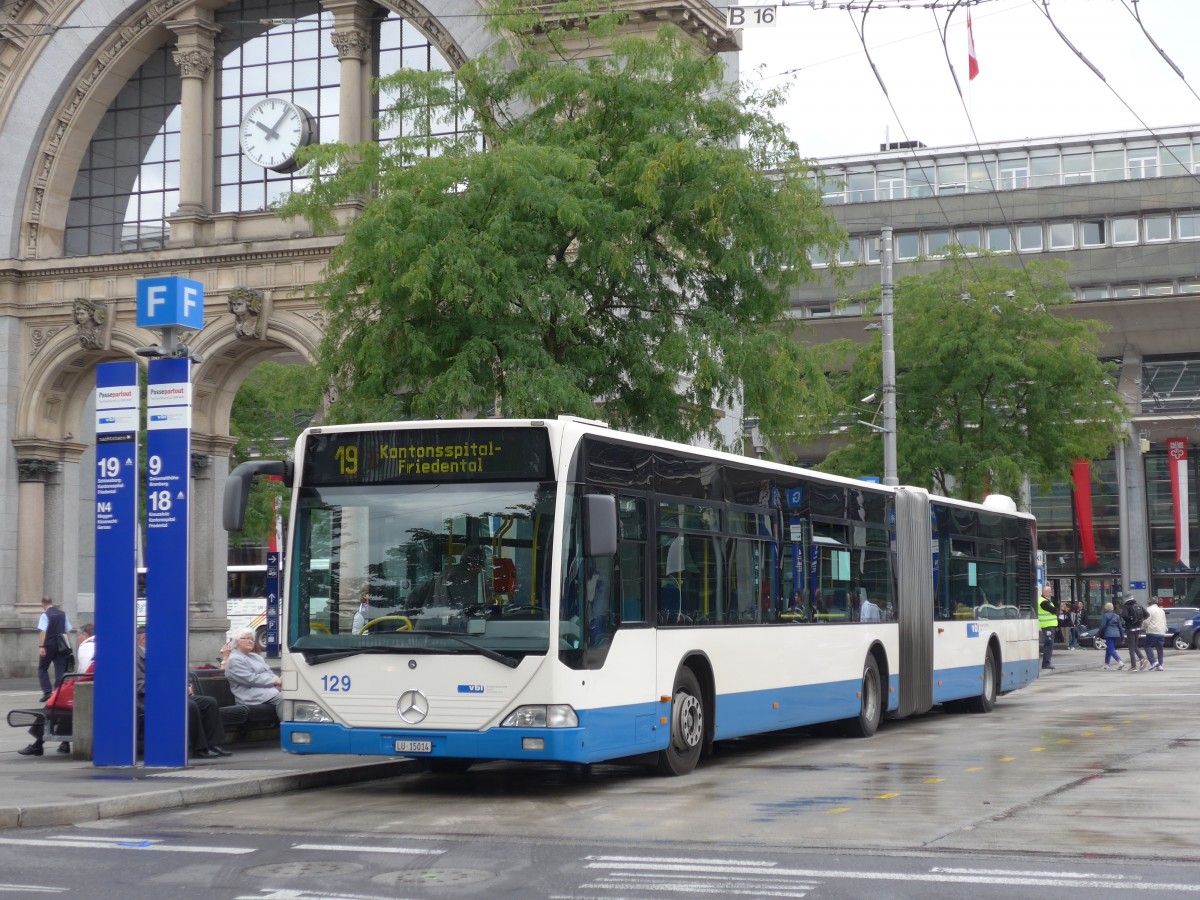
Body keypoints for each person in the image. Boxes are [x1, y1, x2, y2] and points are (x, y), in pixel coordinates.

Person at [136, 627, 230, 759]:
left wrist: (187, 685)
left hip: (171, 696)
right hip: (151, 701)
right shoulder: (134, 658)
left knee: (209, 702)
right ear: (144, 639)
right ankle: (199, 748)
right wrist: (172, 688)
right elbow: (140, 685)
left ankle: (213, 744)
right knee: (190, 706)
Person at [224, 628, 283, 721]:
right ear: (237, 641)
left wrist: (277, 682)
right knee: (286, 699)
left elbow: (268, 672)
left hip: (267, 691)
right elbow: (251, 679)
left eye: (252, 639)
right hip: (251, 696)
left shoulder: (255, 657)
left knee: (296, 695)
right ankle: (290, 729)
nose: (251, 641)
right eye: (247, 638)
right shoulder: (234, 660)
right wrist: (274, 681)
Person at [36, 595, 73, 701]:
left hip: (49, 645)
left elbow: (43, 631)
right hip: (61, 645)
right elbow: (68, 631)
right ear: (52, 602)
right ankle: (58, 693)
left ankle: (47, 692)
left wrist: (41, 646)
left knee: (42, 668)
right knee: (59, 670)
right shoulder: (63, 614)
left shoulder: (45, 615)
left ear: (43, 604)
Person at [1122, 594, 1150, 671]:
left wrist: (1129, 621)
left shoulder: (1126, 606)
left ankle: (1133, 666)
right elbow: (1147, 614)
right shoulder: (1138, 605)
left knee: (1131, 648)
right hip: (1138, 628)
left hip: (1130, 629)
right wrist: (1140, 621)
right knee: (1135, 646)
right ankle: (1142, 659)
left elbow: (1124, 615)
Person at [1098, 602, 1126, 670]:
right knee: (1109, 649)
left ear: (1106, 608)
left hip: (1109, 634)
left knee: (1111, 649)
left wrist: (1098, 634)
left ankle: (1119, 661)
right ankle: (1106, 664)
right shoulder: (1117, 616)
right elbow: (1120, 627)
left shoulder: (1105, 615)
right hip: (1116, 634)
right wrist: (1122, 636)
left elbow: (1103, 626)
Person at [1142, 598, 1168, 671]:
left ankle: (1153, 662)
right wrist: (1165, 629)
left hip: (1152, 631)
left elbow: (1146, 621)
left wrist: (1143, 627)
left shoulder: (1149, 609)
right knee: (1160, 648)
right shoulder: (1161, 610)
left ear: (1149, 603)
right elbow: (1164, 621)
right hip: (1161, 632)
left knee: (1147, 646)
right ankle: (1160, 665)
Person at [1037, 584, 1057, 670]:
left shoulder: (1046, 600)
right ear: (1045, 592)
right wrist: (1056, 610)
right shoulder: (1043, 602)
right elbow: (1054, 610)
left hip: (1049, 625)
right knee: (1049, 644)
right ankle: (1046, 663)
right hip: (1047, 626)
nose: (1051, 593)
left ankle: (1047, 663)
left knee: (1050, 644)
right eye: (1049, 591)